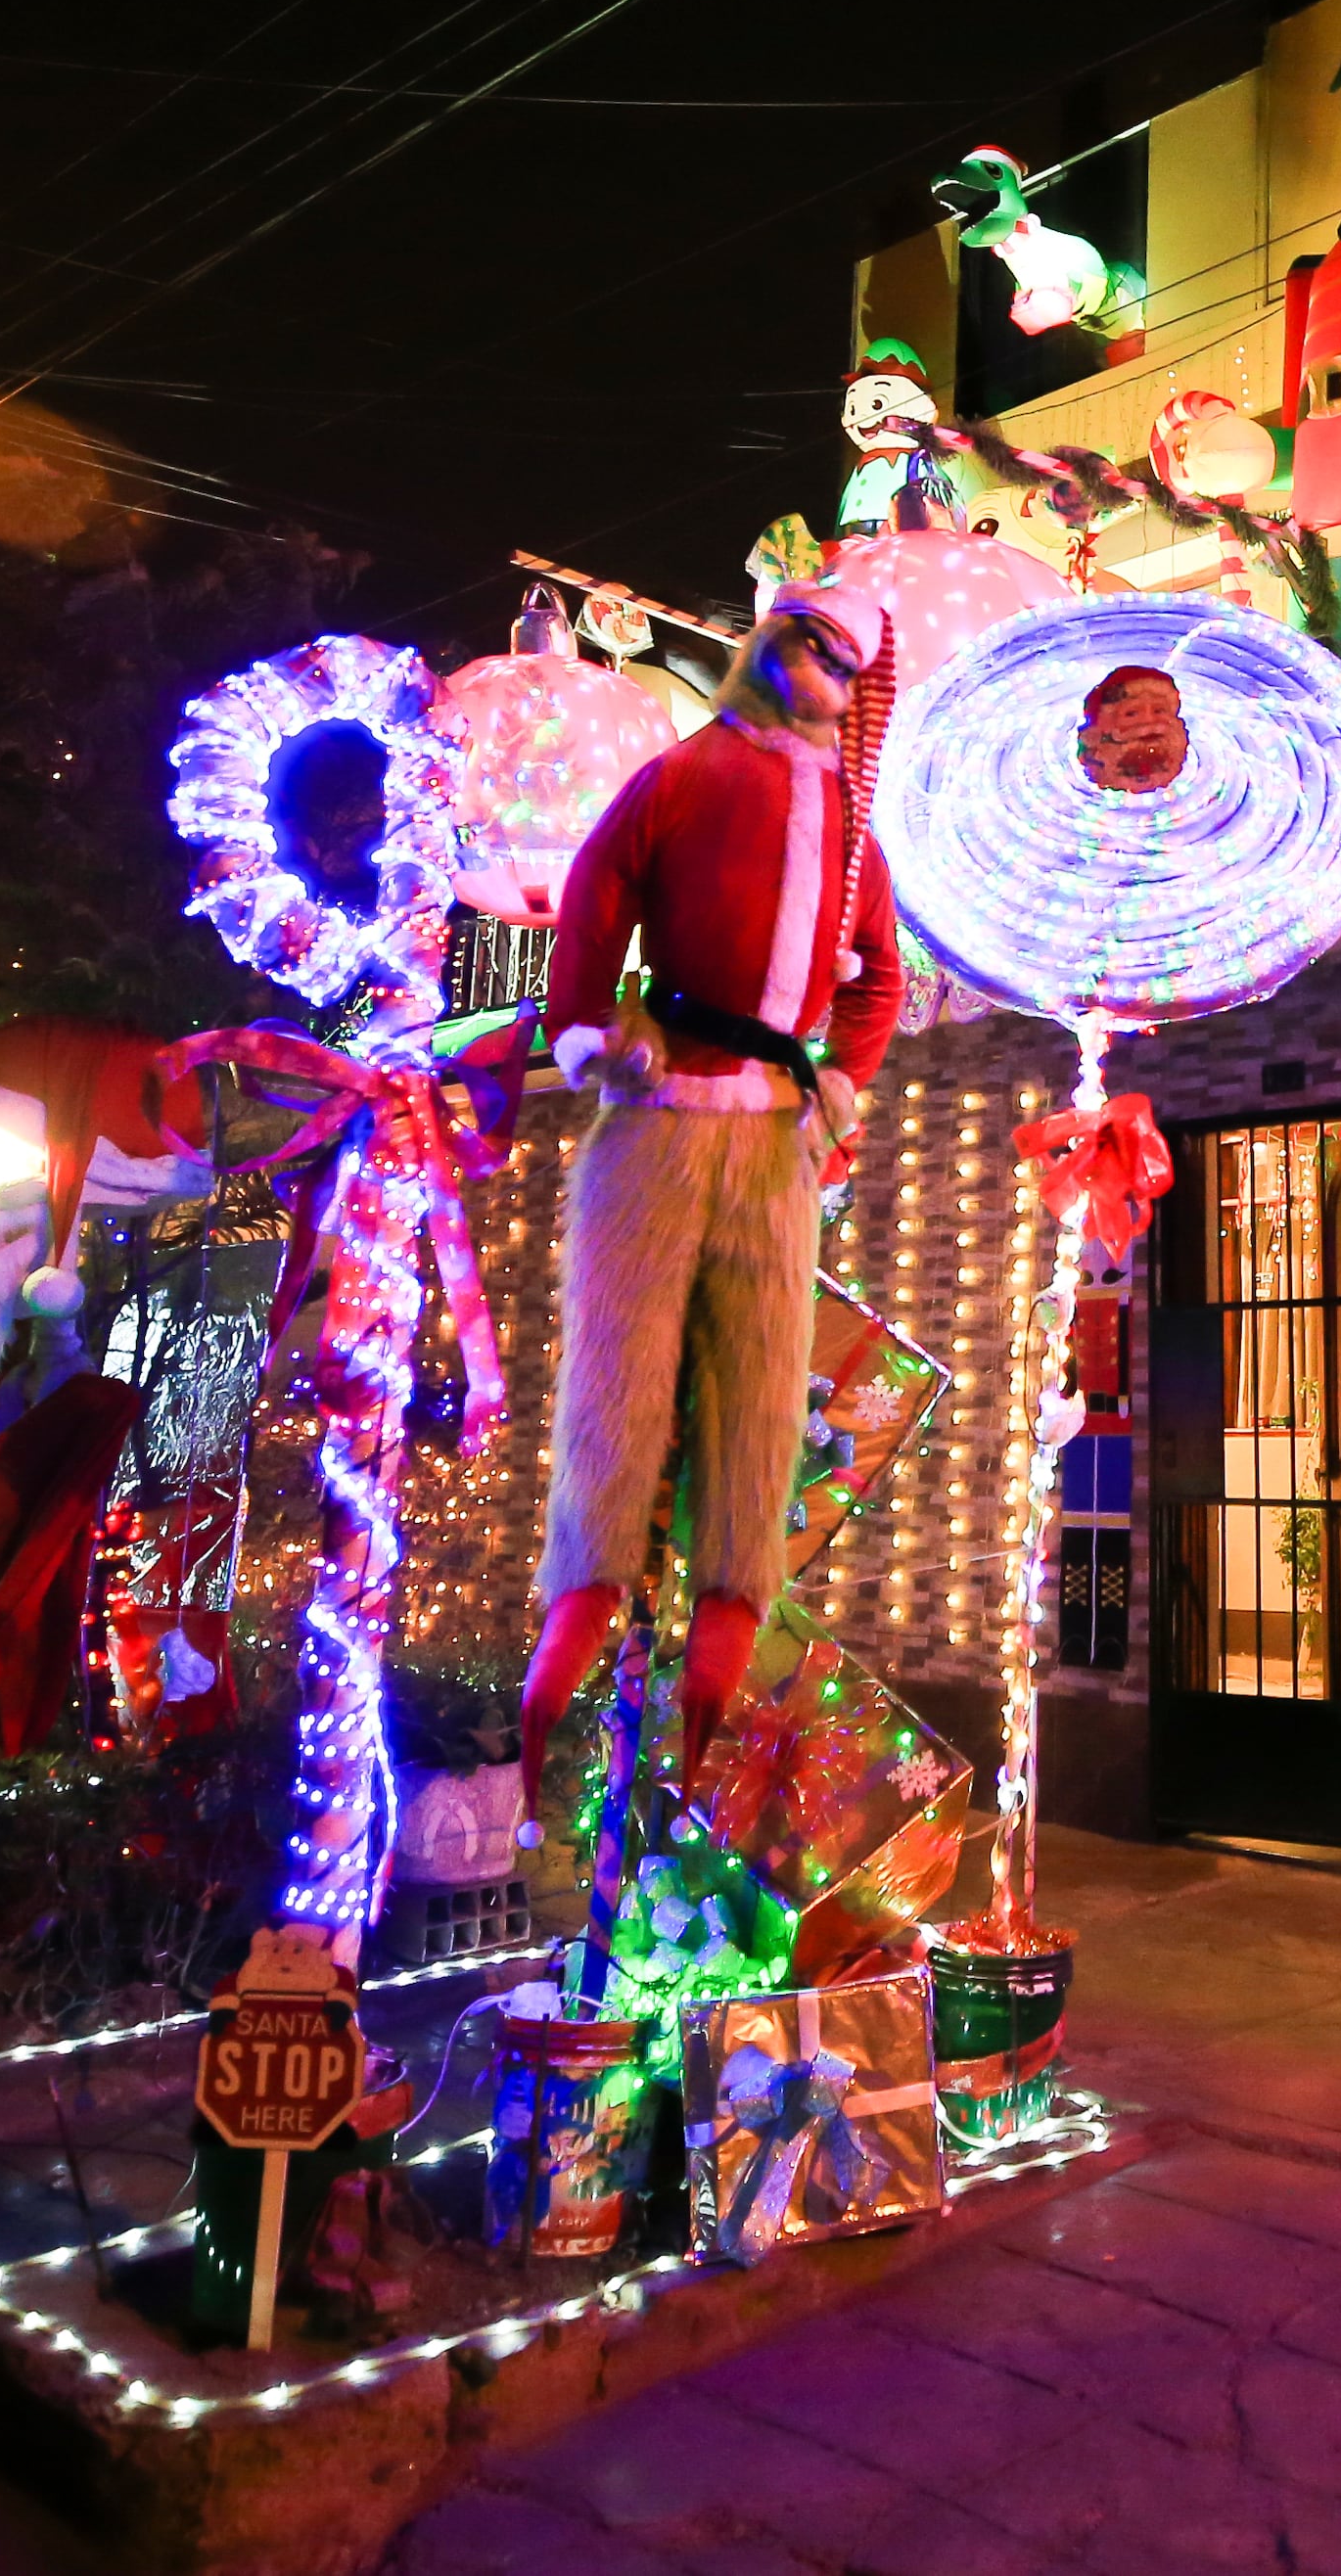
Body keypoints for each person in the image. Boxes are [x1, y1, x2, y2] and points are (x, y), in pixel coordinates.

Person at [511, 574, 906, 1795]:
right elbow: (595, 889)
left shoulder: (853, 831)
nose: (816, 675)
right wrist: (583, 1029)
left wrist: (841, 1079)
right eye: (801, 647)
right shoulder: (682, 775)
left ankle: (729, 1613)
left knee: (759, 1388)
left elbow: (876, 977)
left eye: (841, 662)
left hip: (775, 1137)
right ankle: (582, 1595)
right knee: (616, 1369)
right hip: (659, 1111)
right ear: (765, 648)